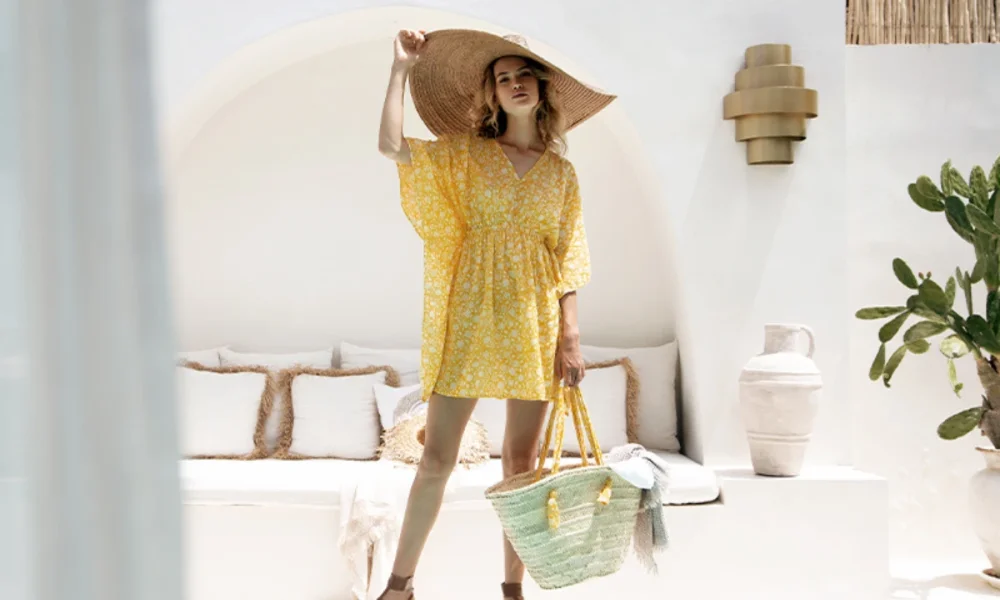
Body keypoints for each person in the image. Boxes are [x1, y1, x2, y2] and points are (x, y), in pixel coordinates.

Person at [375, 28, 615, 600]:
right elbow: (391, 146)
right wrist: (400, 69)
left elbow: (569, 258)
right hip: (470, 315)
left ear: (542, 87)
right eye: (503, 78)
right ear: (493, 95)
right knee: (436, 457)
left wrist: (571, 337)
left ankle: (512, 589)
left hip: (535, 321)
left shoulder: (561, 174)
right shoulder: (466, 155)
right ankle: (399, 586)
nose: (515, 84)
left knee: (521, 461)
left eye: (524, 74)